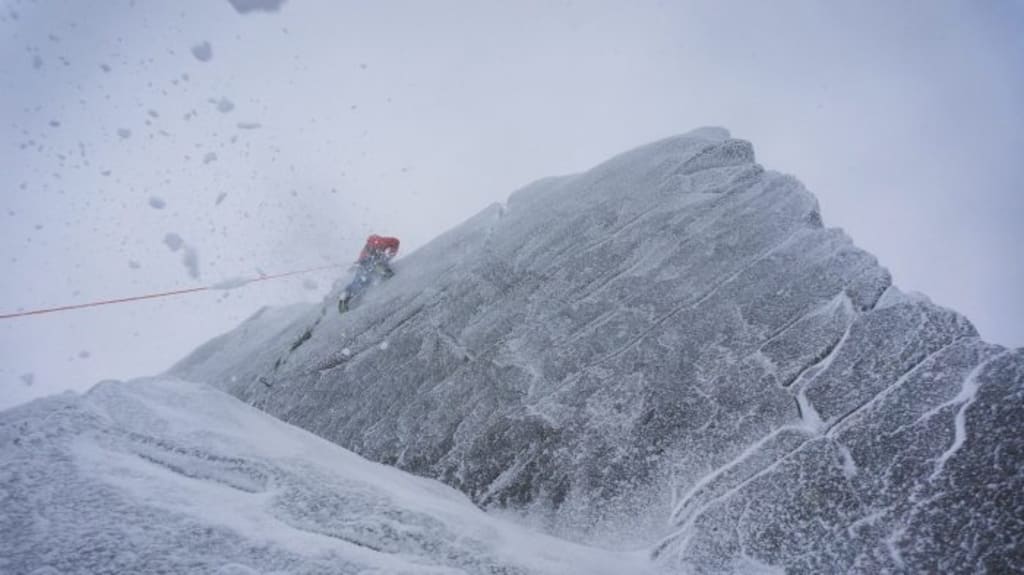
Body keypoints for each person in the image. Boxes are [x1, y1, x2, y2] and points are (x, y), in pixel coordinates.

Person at [338, 234, 400, 313]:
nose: (373, 248)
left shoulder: (382, 242)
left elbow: (396, 242)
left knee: (362, 281)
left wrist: (390, 255)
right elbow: (363, 260)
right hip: (367, 265)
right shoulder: (368, 250)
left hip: (373, 264)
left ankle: (344, 298)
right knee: (362, 281)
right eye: (371, 247)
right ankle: (344, 299)